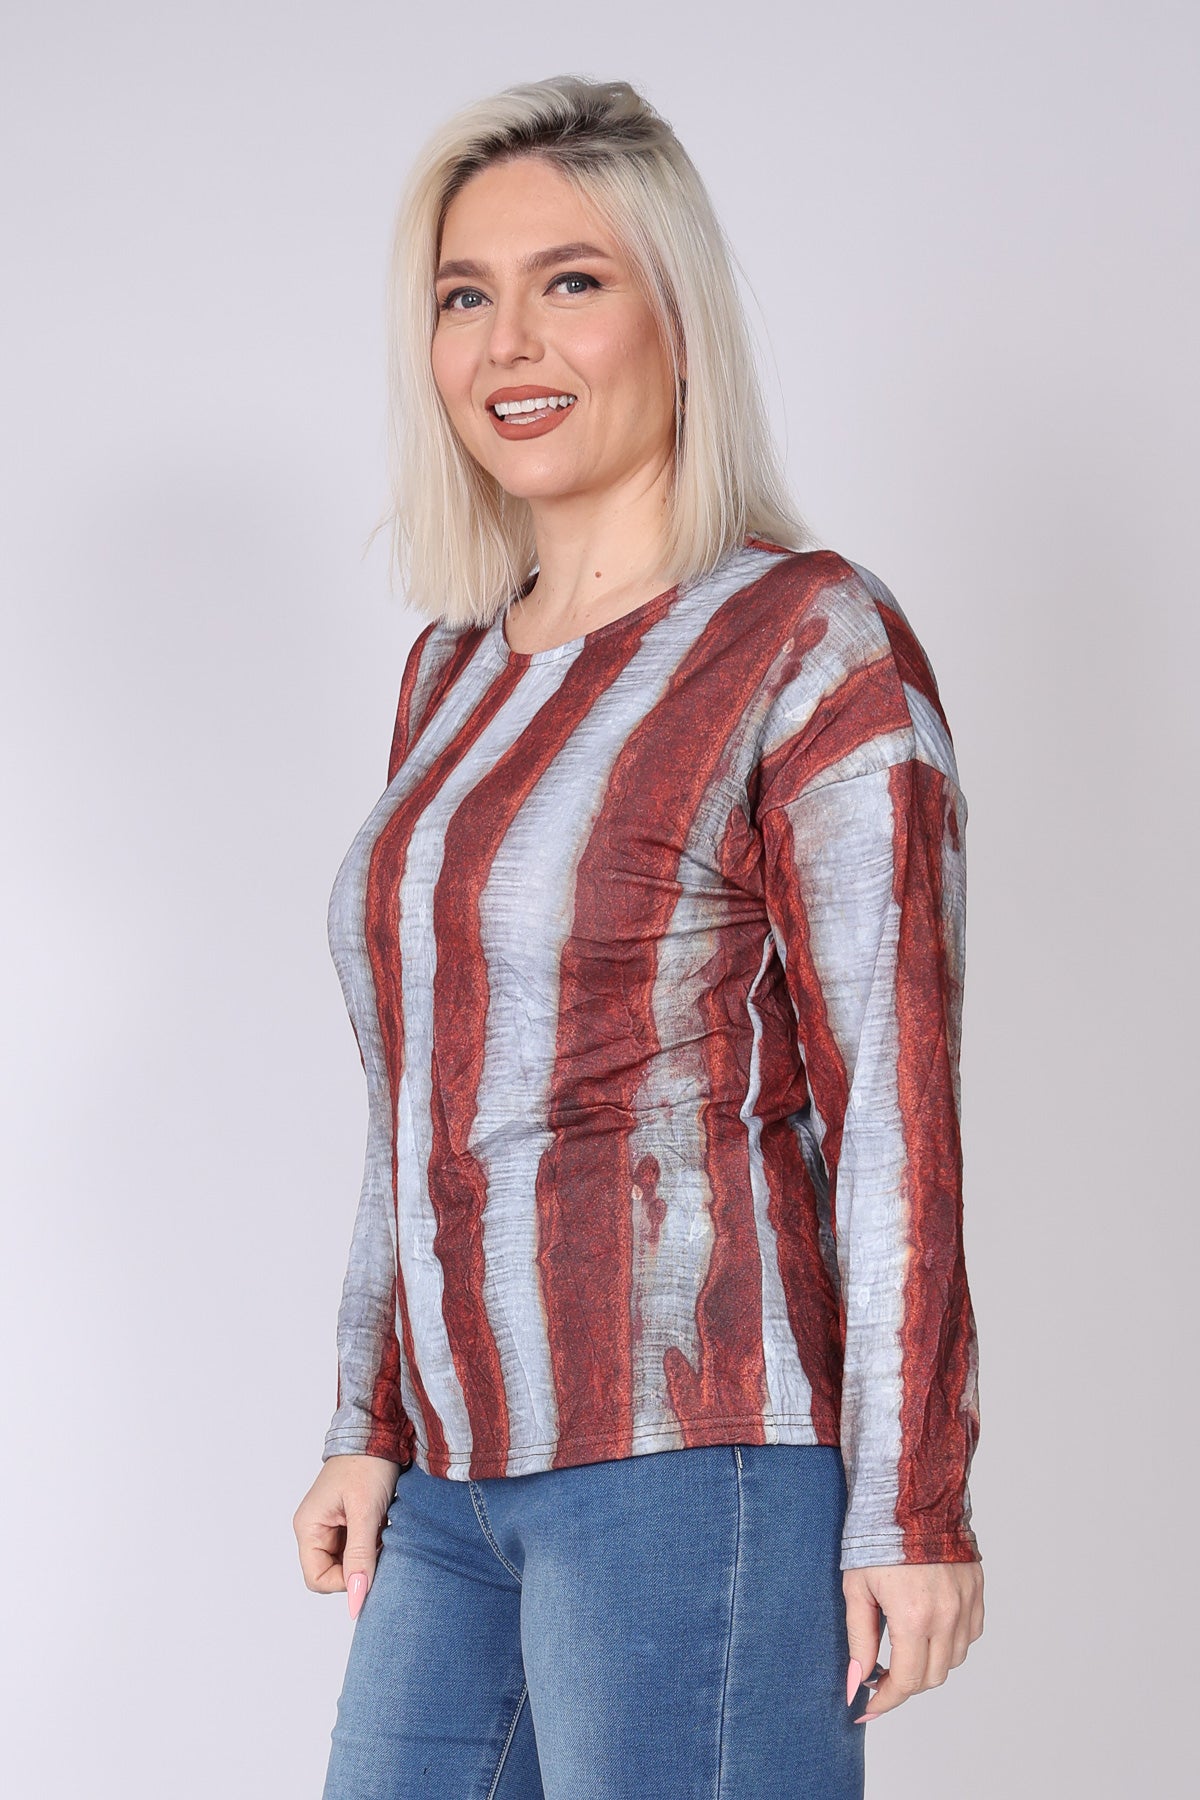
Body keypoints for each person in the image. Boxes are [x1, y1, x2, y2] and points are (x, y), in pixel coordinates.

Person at [292, 72, 984, 1800]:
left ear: (677, 320)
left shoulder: (809, 638)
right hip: (452, 1483)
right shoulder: (451, 673)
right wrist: (367, 1419)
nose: (509, 342)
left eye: (572, 281)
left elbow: (894, 1110)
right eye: (466, 295)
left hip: (697, 1453)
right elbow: (412, 1094)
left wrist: (914, 1501)